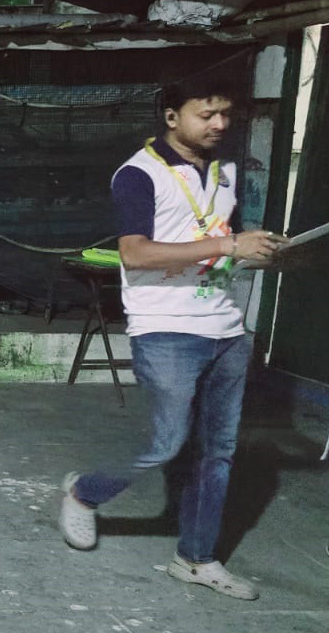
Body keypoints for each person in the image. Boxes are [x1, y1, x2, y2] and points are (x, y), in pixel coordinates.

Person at [57, 78, 288, 600]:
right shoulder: (138, 175)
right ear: (170, 116)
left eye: (225, 114)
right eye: (207, 114)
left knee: (219, 451)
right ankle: (84, 492)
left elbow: (215, 243)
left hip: (226, 327)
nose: (220, 125)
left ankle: (196, 558)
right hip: (166, 328)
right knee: (165, 443)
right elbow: (136, 254)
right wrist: (228, 241)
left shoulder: (227, 172)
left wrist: (252, 251)